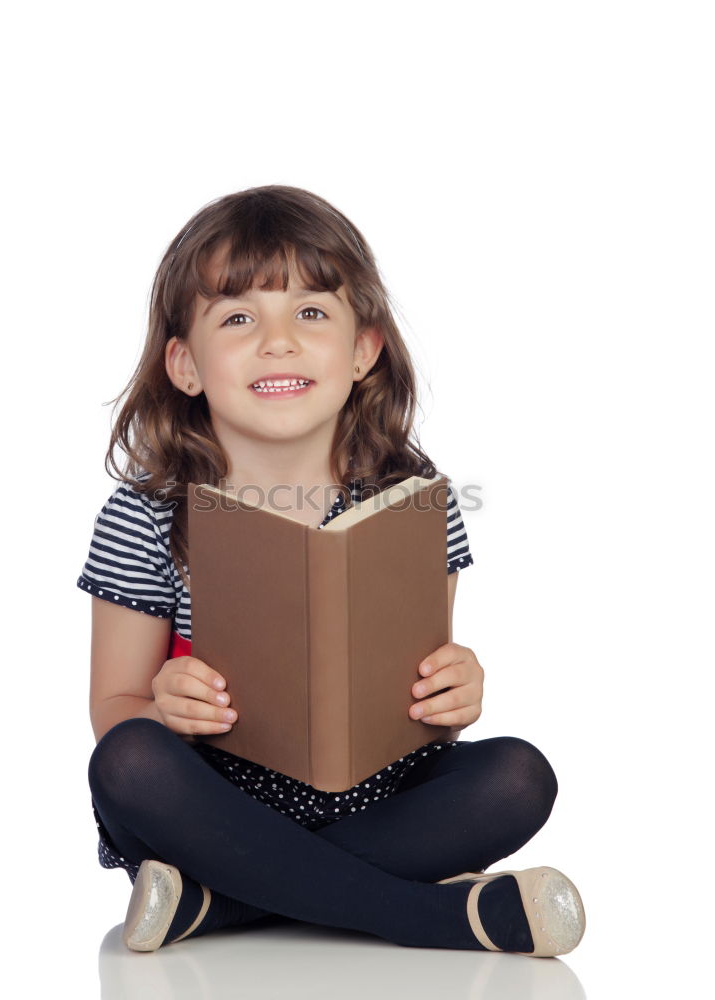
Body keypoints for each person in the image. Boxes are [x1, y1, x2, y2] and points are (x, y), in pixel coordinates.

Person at [78, 184, 585, 957]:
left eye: (311, 313)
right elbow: (114, 709)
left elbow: (420, 701)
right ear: (184, 363)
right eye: (238, 317)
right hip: (215, 807)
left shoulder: (411, 503)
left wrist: (454, 695)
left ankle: (215, 908)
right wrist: (160, 706)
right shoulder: (146, 515)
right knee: (126, 763)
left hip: (377, 798)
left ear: (363, 350)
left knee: (520, 775)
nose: (277, 342)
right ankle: (433, 919)